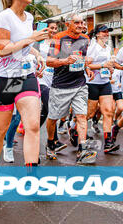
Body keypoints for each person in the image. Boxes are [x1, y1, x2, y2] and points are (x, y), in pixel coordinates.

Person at [0, 0, 48, 168]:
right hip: (2, 80)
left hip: (24, 77)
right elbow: (3, 49)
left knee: (33, 126)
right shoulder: (4, 16)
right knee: (0, 130)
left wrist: (36, 54)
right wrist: (31, 39)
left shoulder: (28, 17)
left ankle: (32, 175)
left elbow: (22, 46)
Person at [45, 13, 97, 164]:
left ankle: (83, 149)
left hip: (80, 84)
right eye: (77, 23)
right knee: (53, 118)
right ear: (68, 24)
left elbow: (82, 58)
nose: (81, 26)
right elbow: (49, 61)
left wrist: (87, 68)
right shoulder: (59, 38)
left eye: (83, 23)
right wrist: (64, 61)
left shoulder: (85, 39)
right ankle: (50, 142)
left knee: (81, 116)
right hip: (61, 86)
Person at [86, 24, 119, 154]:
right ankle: (73, 126)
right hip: (92, 82)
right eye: (104, 32)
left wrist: (109, 69)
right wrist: (102, 65)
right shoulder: (93, 47)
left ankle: (108, 142)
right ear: (98, 34)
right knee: (90, 113)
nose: (106, 34)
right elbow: (87, 65)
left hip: (105, 82)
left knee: (108, 111)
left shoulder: (107, 48)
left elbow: (107, 64)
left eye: (107, 32)